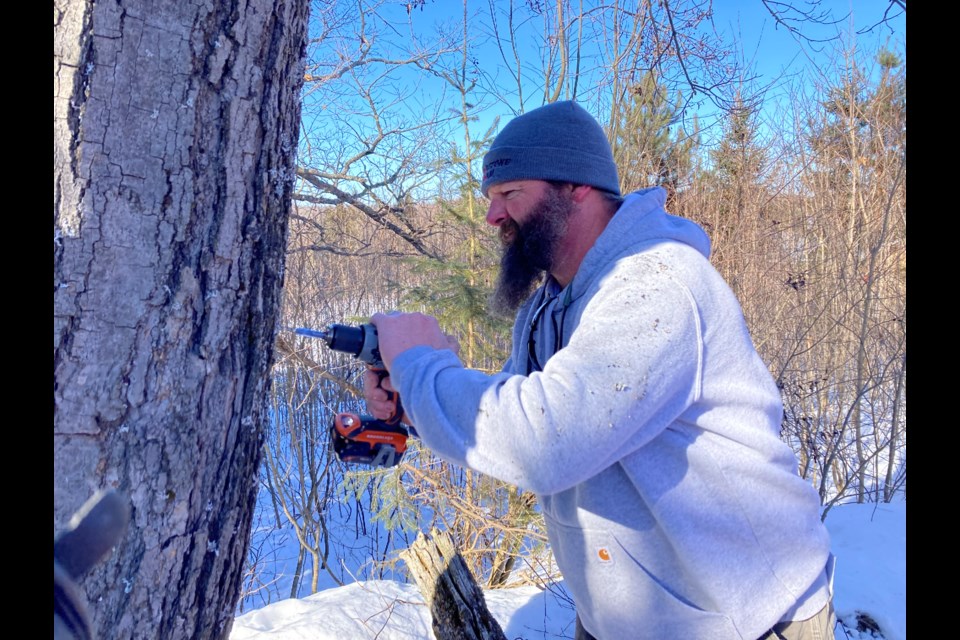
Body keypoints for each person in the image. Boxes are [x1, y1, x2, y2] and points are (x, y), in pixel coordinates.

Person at [364, 100, 835, 640]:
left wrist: (422, 365)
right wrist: (415, 401)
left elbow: (546, 439)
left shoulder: (658, 284)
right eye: (490, 198)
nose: (492, 216)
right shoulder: (550, 304)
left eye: (510, 193)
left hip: (746, 615)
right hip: (630, 618)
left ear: (577, 187)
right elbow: (524, 413)